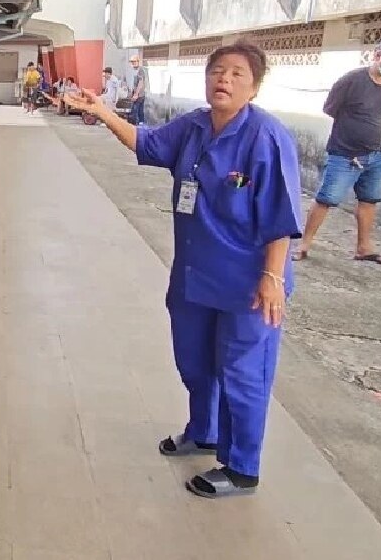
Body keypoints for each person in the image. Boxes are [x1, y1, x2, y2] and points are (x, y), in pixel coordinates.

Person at [64, 41, 303, 499]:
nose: (224, 79)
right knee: (195, 361)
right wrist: (102, 111)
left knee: (242, 373)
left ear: (254, 86)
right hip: (195, 275)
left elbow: (280, 215)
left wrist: (272, 278)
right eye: (218, 70)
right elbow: (148, 143)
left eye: (236, 73)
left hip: (247, 286)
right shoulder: (194, 126)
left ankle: (240, 468)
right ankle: (203, 433)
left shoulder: (267, 138)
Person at [294, 37, 381, 265]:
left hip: (378, 154)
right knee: (326, 200)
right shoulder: (352, 80)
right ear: (378, 55)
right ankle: (303, 244)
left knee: (369, 200)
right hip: (345, 155)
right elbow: (331, 109)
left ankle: (364, 248)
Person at [127, 54, 148, 125]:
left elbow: (140, 83)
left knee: (135, 112)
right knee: (140, 111)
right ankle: (141, 125)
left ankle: (136, 127)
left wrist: (136, 94)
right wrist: (131, 93)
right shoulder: (135, 70)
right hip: (137, 94)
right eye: (132, 62)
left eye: (134, 62)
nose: (133, 63)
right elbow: (134, 83)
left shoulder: (140, 70)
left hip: (139, 95)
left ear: (138, 61)